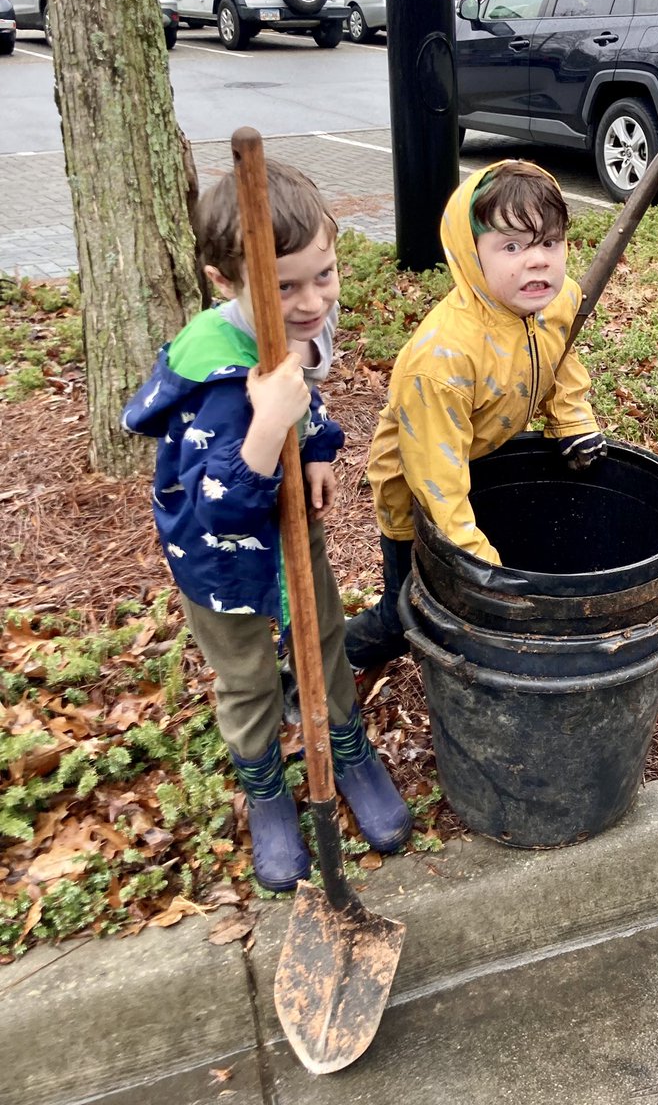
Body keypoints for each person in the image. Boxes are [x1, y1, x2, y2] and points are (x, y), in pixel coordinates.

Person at [122, 161, 413, 892]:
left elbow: (305, 391)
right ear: (225, 281)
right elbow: (215, 504)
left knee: (322, 637)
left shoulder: (301, 320)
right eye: (285, 287)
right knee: (249, 676)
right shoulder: (217, 384)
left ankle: (347, 749)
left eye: (324, 274)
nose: (313, 302)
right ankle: (266, 789)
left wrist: (311, 444)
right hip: (218, 561)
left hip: (290, 523)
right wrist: (266, 430)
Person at [344, 161, 606, 673]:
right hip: (417, 486)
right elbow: (436, 483)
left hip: (481, 453)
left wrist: (571, 418)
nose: (537, 263)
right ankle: (327, 657)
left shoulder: (557, 301)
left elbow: (561, 357)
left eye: (549, 243)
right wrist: (478, 561)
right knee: (406, 613)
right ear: (470, 255)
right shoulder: (443, 359)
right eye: (511, 247)